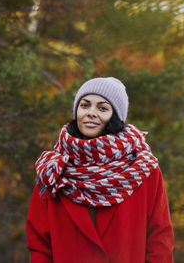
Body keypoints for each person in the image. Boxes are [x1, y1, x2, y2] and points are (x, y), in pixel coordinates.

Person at [26, 77, 174, 263]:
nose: (91, 113)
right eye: (85, 105)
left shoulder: (143, 168)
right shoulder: (53, 170)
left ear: (115, 117)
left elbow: (160, 239)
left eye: (102, 108)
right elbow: (40, 245)